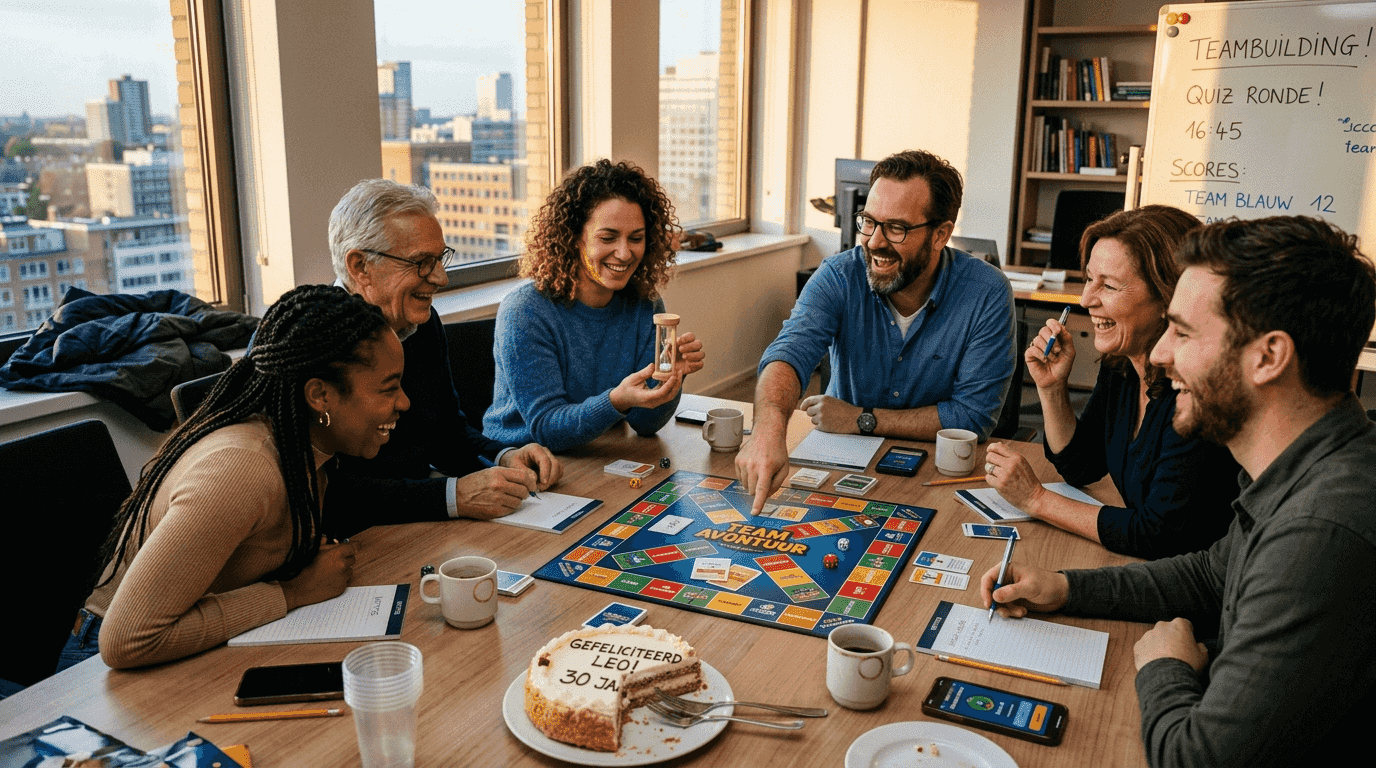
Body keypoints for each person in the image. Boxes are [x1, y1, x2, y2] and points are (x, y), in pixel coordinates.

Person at [981, 216, 1376, 767]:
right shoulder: (1303, 470)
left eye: (1183, 333)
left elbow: (1194, 760)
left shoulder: (1318, 531)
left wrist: (1164, 665)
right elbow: (1209, 574)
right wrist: (1064, 587)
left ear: (1268, 357)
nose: (1161, 356)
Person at [62, 285, 399, 670]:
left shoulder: (303, 449)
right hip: (96, 672)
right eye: (390, 388)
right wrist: (291, 593)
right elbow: (126, 640)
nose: (404, 402)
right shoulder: (243, 467)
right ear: (320, 396)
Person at [736, 149, 1016, 512]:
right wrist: (767, 431)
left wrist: (861, 419)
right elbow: (789, 354)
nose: (874, 242)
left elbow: (972, 417)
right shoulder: (838, 276)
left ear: (940, 234)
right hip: (842, 467)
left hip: (936, 475)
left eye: (896, 228)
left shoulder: (986, 292)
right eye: (868, 221)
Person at [983, 206, 1239, 559]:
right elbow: (1081, 466)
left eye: (1109, 285)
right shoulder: (1123, 363)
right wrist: (1052, 388)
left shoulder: (1193, 392)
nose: (1087, 299)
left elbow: (1157, 535)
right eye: (1089, 278)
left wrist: (1036, 499)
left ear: (1169, 297)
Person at [327, 179, 561, 528]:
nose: (440, 278)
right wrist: (454, 497)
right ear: (360, 267)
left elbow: (446, 433)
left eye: (440, 259)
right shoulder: (312, 342)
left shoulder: (422, 323)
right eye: (421, 262)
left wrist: (504, 455)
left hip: (421, 530)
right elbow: (324, 492)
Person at [483, 159, 705, 452]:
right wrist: (617, 400)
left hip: (597, 452)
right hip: (521, 462)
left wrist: (671, 379)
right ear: (575, 237)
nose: (624, 253)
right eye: (608, 237)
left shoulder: (645, 305)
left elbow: (646, 424)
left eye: (636, 238)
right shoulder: (525, 311)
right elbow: (548, 429)